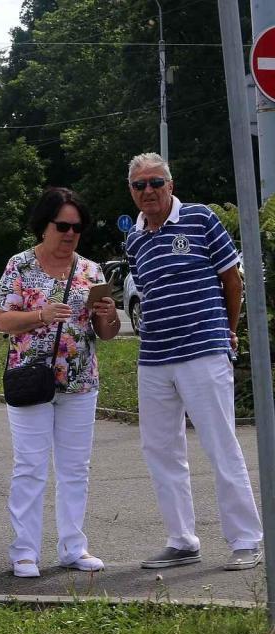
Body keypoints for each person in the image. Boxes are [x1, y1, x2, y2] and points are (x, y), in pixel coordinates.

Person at [124, 152, 263, 571]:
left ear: (170, 184)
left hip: (203, 351)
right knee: (160, 450)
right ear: (132, 191)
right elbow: (146, 294)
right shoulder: (134, 239)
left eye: (156, 182)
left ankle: (246, 539)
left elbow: (232, 279)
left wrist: (227, 330)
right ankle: (182, 540)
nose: (149, 190)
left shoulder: (200, 218)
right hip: (154, 357)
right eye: (140, 185)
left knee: (221, 444)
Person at [0, 187, 120, 578]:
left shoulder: (90, 271)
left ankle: (73, 548)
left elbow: (107, 333)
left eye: (77, 228)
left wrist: (109, 313)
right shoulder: (20, 266)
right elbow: (2, 320)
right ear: (44, 225)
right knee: (30, 466)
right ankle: (24, 552)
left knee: (75, 469)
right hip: (31, 380)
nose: (70, 234)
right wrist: (41, 315)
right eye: (62, 226)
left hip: (80, 382)